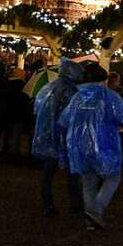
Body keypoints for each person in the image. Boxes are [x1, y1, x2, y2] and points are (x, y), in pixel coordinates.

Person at [58, 62, 123, 229]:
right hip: (105, 144)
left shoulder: (76, 97)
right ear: (103, 79)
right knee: (113, 177)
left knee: (88, 180)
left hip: (78, 146)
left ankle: (90, 220)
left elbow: (63, 120)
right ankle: (96, 211)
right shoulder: (109, 96)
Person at [32, 58, 85, 216]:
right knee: (72, 173)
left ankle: (47, 204)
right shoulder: (71, 90)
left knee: (48, 172)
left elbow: (37, 108)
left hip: (48, 135)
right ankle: (76, 206)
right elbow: (73, 114)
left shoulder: (49, 87)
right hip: (66, 135)